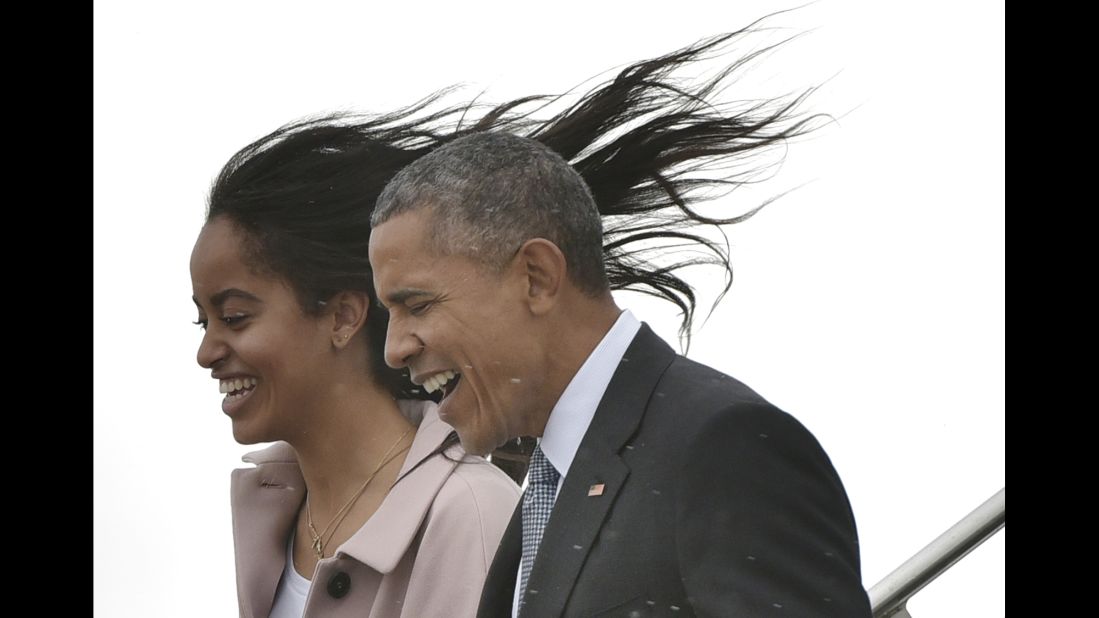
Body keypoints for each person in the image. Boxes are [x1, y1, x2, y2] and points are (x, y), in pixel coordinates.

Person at [367, 35, 874, 618]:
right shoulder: (550, 486)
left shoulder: (721, 447)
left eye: (418, 305)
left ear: (536, 277)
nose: (394, 349)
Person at [190, 111, 525, 617]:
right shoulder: (274, 508)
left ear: (343, 317)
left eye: (234, 317)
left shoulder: (470, 514)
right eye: (204, 322)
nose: (207, 352)